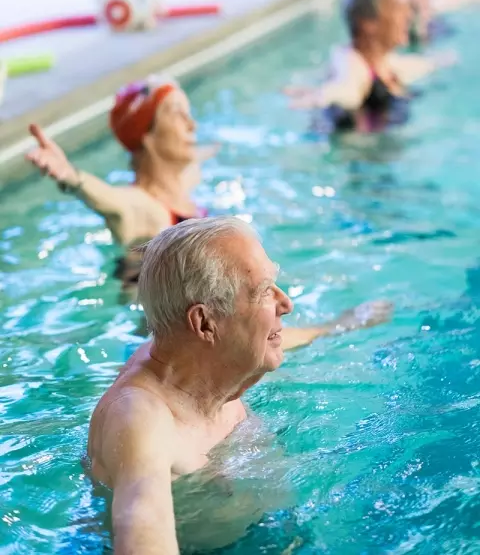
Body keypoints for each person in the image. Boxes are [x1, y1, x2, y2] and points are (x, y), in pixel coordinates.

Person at [87, 216, 392, 554]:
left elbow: (258, 336)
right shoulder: (140, 419)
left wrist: (335, 327)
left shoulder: (191, 355)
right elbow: (140, 526)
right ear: (204, 322)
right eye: (264, 292)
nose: (286, 304)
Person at [25, 78, 213, 249]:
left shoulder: (186, 187)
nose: (192, 125)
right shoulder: (146, 209)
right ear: (147, 135)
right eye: (176, 114)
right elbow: (114, 202)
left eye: (188, 113)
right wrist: (71, 176)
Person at [286, 0, 453, 134]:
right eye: (398, 9)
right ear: (368, 23)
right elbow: (346, 88)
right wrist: (322, 97)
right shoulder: (351, 64)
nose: (408, 16)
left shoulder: (386, 62)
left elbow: (422, 65)